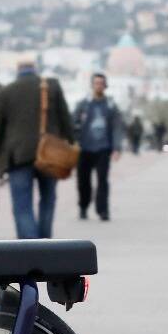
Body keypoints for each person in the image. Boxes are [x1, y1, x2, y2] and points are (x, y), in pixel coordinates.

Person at [0, 57, 72, 238]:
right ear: (35, 69)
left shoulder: (5, 92)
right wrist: (70, 145)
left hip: (18, 156)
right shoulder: (52, 87)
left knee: (22, 206)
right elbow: (66, 119)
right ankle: (45, 245)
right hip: (50, 153)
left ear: (18, 70)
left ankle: (29, 247)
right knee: (48, 201)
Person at [72, 72, 123, 222]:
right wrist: (73, 141)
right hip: (84, 148)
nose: (98, 86)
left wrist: (116, 148)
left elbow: (117, 128)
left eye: (101, 83)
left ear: (105, 86)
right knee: (83, 181)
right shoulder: (83, 104)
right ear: (92, 85)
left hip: (103, 148)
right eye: (96, 83)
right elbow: (73, 123)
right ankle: (83, 206)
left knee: (102, 180)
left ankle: (103, 210)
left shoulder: (111, 106)